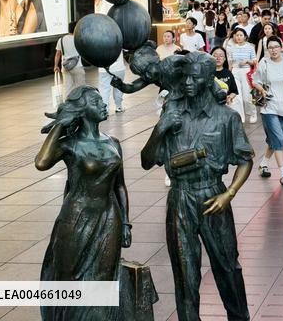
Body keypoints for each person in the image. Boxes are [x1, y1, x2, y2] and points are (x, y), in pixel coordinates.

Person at [139, 52, 255, 321]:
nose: (188, 83)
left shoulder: (226, 118)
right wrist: (160, 129)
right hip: (179, 198)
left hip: (213, 196)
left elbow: (245, 160)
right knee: (185, 274)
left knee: (227, 267)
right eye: (185, 77)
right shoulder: (171, 114)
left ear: (208, 79)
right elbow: (146, 161)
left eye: (195, 78)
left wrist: (229, 194)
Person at [36, 86, 131, 321]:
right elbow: (41, 162)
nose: (103, 104)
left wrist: (126, 223)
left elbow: (120, 186)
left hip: (109, 216)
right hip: (76, 217)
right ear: (82, 110)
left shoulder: (113, 142)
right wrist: (60, 125)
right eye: (96, 102)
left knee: (103, 277)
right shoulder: (70, 144)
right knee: (70, 276)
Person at [253, 36, 283, 186]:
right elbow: (255, 81)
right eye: (270, 47)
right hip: (269, 107)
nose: (273, 50)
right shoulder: (264, 62)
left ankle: (263, 164)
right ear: (267, 49)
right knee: (278, 139)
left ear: (281, 47)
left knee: (276, 139)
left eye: (276, 47)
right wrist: (262, 90)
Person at [227, 28, 257, 124]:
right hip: (235, 72)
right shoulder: (231, 48)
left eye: (241, 35)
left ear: (245, 37)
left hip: (246, 71)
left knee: (247, 96)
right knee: (237, 96)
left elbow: (254, 61)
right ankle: (240, 116)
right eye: (237, 35)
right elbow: (230, 63)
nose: (239, 37)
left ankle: (252, 113)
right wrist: (229, 73)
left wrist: (247, 61)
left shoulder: (250, 47)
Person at [211, 46, 243, 122]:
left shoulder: (228, 73)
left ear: (225, 58)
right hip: (210, 108)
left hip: (224, 107)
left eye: (221, 56)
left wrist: (229, 98)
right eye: (215, 55)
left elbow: (234, 91)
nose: (218, 58)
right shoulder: (207, 73)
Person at [53, 26, 85, 94]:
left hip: (66, 67)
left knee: (67, 88)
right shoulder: (78, 39)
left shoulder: (61, 40)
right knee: (80, 87)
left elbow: (58, 54)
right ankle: (79, 100)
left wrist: (56, 66)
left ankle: (67, 100)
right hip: (77, 66)